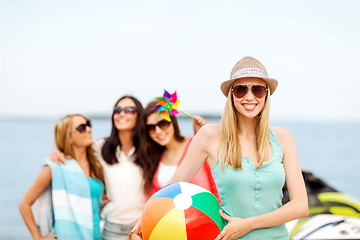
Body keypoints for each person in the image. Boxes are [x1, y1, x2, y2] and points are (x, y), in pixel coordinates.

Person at [132, 56, 309, 240]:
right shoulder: (209, 136)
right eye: (241, 89)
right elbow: (169, 189)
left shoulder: (283, 138)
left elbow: (300, 205)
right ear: (231, 95)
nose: (249, 97)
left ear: (266, 94)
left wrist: (247, 224)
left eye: (257, 89)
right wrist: (138, 226)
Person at [49, 96, 150, 240]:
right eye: (117, 110)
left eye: (129, 110)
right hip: (112, 229)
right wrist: (59, 153)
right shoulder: (100, 147)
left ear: (139, 115)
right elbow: (75, 150)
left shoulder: (149, 150)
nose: (121, 113)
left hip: (143, 228)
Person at [19, 114, 105, 240]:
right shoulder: (57, 167)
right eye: (81, 127)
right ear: (68, 137)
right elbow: (24, 205)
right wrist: (38, 238)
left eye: (88, 124)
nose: (88, 129)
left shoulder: (95, 165)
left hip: (96, 236)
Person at [137, 101, 219, 198]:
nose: (158, 131)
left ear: (173, 122)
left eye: (163, 123)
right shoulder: (152, 159)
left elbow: (218, 182)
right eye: (151, 127)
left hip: (207, 212)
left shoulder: (195, 145)